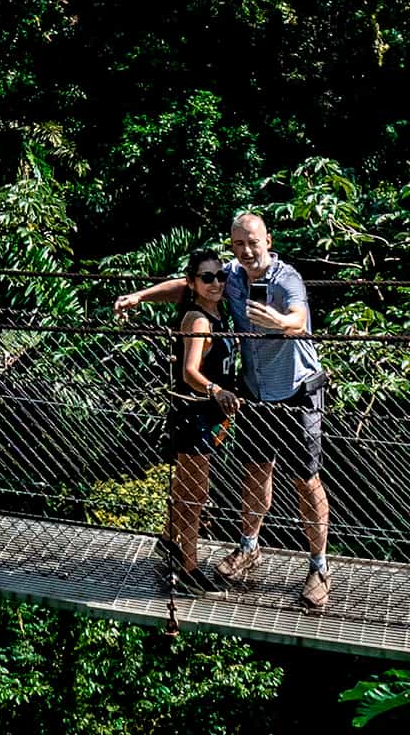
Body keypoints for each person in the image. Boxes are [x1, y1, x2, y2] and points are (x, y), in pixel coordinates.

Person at [217, 210, 332, 611]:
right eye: (238, 244)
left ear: (268, 240)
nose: (246, 250)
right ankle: (249, 547)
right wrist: (139, 296)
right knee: (254, 473)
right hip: (256, 392)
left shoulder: (287, 279)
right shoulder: (230, 276)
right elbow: (187, 284)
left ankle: (319, 566)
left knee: (306, 479)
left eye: (253, 242)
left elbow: (299, 319)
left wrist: (281, 321)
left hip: (297, 391)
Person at [112, 249, 240, 591]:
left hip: (207, 413)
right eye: (207, 278)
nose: (216, 283)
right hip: (195, 411)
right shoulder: (198, 319)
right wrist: (218, 390)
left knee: (187, 487)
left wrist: (139, 296)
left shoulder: (213, 307)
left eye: (220, 276)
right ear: (194, 283)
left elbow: (173, 287)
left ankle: (170, 540)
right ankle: (188, 565)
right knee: (196, 492)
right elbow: (189, 371)